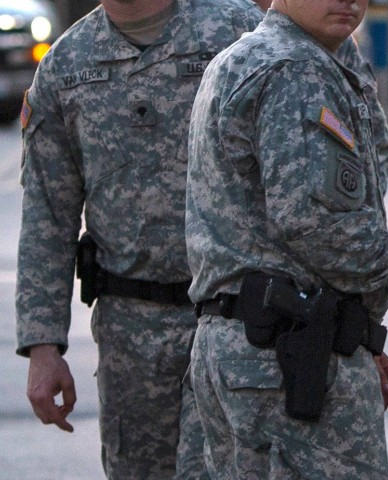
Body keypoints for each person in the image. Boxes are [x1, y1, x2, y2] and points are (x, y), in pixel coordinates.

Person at [185, 0, 388, 477]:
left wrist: (358, 337)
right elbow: (314, 222)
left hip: (267, 348)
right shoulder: (295, 68)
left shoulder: (252, 56)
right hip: (287, 358)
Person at [15, 0, 263, 478]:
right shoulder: (66, 65)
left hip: (236, 324)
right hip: (129, 337)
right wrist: (42, 345)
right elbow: (48, 216)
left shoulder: (238, 31)